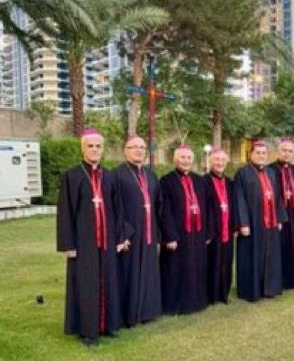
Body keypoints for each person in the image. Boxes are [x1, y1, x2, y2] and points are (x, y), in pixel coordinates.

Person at [56, 129, 127, 345]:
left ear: (102, 149)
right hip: (84, 242)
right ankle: (88, 331)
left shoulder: (110, 176)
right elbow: (65, 211)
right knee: (87, 286)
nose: (94, 149)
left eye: (98, 146)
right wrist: (68, 244)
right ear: (83, 148)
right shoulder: (73, 175)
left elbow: (118, 209)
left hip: (108, 241)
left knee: (109, 282)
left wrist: (121, 237)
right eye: (90, 146)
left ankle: (109, 325)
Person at [113, 135, 162, 326]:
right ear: (126, 151)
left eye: (142, 147)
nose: (139, 150)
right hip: (130, 233)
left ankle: (148, 311)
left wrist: (158, 234)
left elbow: (158, 205)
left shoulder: (150, 175)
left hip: (149, 231)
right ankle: (130, 315)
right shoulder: (117, 174)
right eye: (134, 147)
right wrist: (122, 234)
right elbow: (115, 207)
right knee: (130, 273)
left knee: (149, 271)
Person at [233, 141, 287, 301]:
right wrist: (243, 223)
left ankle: (270, 288)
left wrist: (279, 218)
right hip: (252, 223)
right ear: (251, 154)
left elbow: (277, 197)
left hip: (270, 223)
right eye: (258, 153)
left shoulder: (271, 172)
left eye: (264, 153)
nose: (261, 155)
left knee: (270, 255)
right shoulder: (242, 173)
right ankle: (252, 290)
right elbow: (239, 199)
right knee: (251, 256)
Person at [159, 146, 208, 314]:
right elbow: (163, 210)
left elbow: (206, 207)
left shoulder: (200, 180)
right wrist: (169, 236)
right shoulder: (166, 181)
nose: (186, 161)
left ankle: (196, 302)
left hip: (197, 233)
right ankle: (176, 305)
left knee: (196, 267)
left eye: (189, 158)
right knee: (176, 269)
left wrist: (207, 233)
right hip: (177, 234)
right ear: (175, 159)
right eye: (182, 157)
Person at [202, 148, 235, 304]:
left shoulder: (229, 182)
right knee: (213, 261)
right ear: (210, 161)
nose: (220, 163)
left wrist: (235, 226)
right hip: (212, 229)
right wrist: (207, 231)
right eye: (217, 160)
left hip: (227, 227)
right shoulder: (203, 181)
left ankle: (224, 293)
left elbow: (233, 205)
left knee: (226, 261)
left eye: (223, 160)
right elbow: (203, 208)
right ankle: (211, 295)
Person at [269, 139, 294, 290]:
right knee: (277, 246)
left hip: (292, 213)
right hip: (276, 214)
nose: (287, 153)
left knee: (292, 244)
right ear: (278, 152)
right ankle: (277, 278)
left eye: (290, 151)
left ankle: (290, 278)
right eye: (284, 150)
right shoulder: (270, 169)